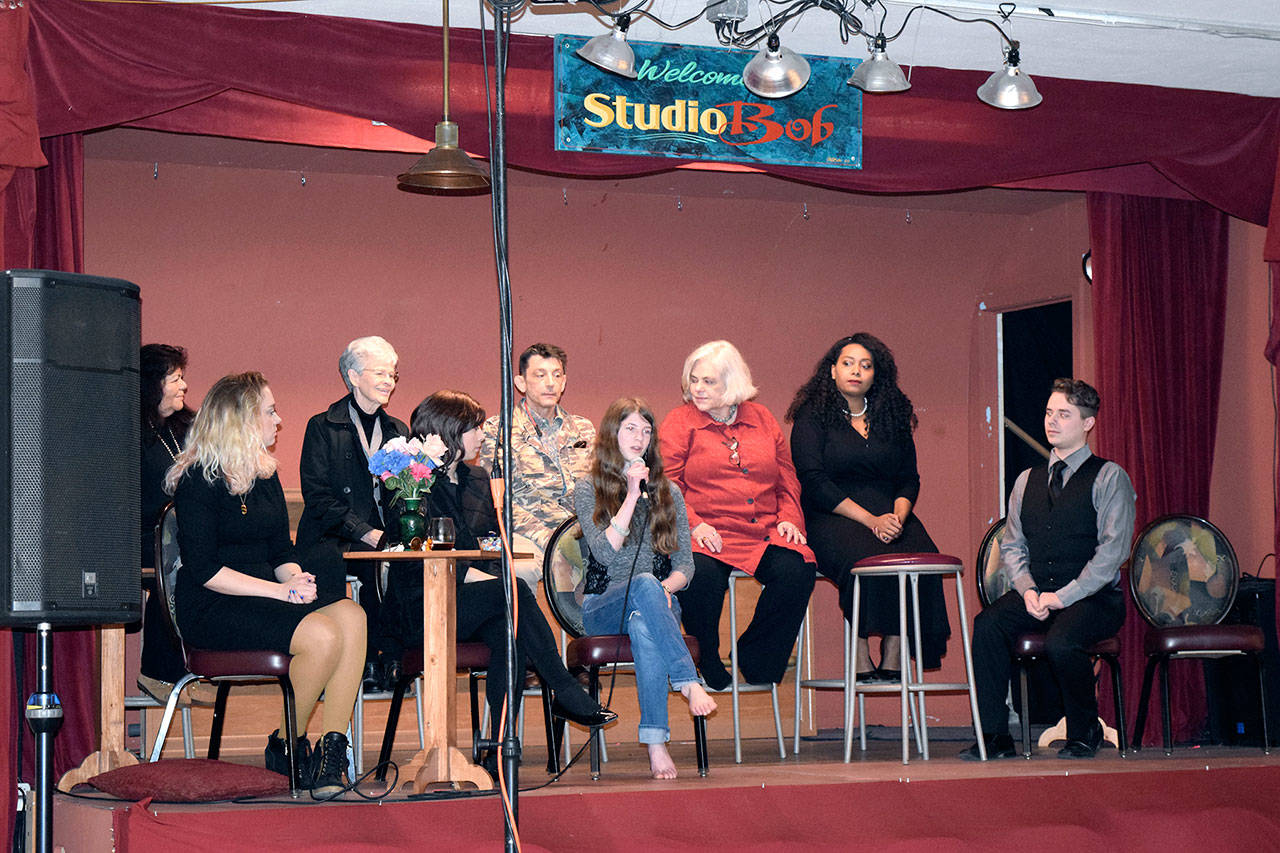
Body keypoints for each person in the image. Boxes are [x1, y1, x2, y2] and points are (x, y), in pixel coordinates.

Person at [379, 390, 615, 767]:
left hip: (471, 604)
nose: (482, 435)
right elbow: (417, 559)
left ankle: (500, 748)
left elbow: (490, 544)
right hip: (422, 606)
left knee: (509, 632)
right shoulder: (410, 480)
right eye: (474, 428)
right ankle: (565, 688)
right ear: (449, 431)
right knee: (513, 590)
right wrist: (492, 581)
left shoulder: (477, 478)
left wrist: (491, 575)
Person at [164, 372, 366, 796]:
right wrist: (279, 591)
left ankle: (331, 753)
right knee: (322, 635)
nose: (279, 420)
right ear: (241, 420)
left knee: (352, 615)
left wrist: (295, 579)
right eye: (270, 411)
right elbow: (205, 570)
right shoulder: (197, 480)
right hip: (212, 605)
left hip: (264, 594)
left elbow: (279, 551)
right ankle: (288, 742)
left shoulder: (264, 473)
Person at [961, 378, 1135, 760]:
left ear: (1088, 423)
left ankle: (1085, 729)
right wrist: (1027, 590)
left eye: (1064, 414)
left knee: (1062, 639)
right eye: (1048, 412)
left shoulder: (1109, 477)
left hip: (1095, 600)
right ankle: (994, 736)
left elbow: (1112, 553)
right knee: (988, 625)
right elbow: (1013, 545)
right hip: (1038, 593)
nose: (1052, 421)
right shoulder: (1027, 480)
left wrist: (1063, 596)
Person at [787, 333, 950, 682]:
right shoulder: (812, 416)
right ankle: (858, 650)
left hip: (890, 512)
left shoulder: (891, 416)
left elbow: (909, 478)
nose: (856, 371)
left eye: (865, 365)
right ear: (832, 370)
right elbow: (813, 481)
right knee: (864, 557)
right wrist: (871, 520)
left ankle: (894, 647)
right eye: (848, 363)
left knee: (923, 556)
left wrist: (897, 517)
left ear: (876, 374)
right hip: (831, 513)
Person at [574, 398, 717, 779]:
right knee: (642, 583)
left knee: (644, 621)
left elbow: (685, 566)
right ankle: (688, 681)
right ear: (612, 434)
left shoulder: (670, 492)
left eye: (646, 431)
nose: (639, 438)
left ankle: (655, 741)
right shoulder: (588, 488)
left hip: (657, 603)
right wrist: (632, 495)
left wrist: (663, 588)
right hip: (603, 607)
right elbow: (604, 554)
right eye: (630, 429)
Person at [660, 340, 816, 691]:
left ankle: (757, 658)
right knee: (698, 575)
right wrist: (694, 524)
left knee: (798, 569)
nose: (697, 389)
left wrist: (789, 517)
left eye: (708, 381)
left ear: (731, 384)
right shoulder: (679, 422)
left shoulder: (762, 418)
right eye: (694, 380)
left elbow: (787, 476)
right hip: (706, 531)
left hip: (762, 530)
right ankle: (706, 657)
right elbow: (665, 485)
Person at [295, 336, 408, 690]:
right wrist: (363, 531)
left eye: (392, 375)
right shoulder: (322, 426)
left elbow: (405, 494)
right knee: (367, 565)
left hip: (383, 534)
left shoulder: (398, 430)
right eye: (380, 373)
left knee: (409, 565)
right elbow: (318, 496)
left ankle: (396, 657)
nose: (389, 381)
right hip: (334, 534)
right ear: (354, 376)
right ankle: (364, 660)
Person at [480, 343, 595, 589]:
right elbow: (500, 499)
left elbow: (597, 490)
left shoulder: (583, 429)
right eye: (540, 375)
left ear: (564, 382)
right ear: (520, 383)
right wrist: (550, 538)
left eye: (557, 375)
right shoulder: (499, 429)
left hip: (580, 530)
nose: (550, 383)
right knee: (522, 568)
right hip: (529, 533)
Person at [138, 344, 202, 703]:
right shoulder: (131, 432)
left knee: (207, 558)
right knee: (179, 563)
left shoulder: (187, 427)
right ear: (153, 384)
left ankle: (197, 665)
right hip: (142, 536)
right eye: (176, 379)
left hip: (183, 533)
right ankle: (157, 670)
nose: (184, 386)